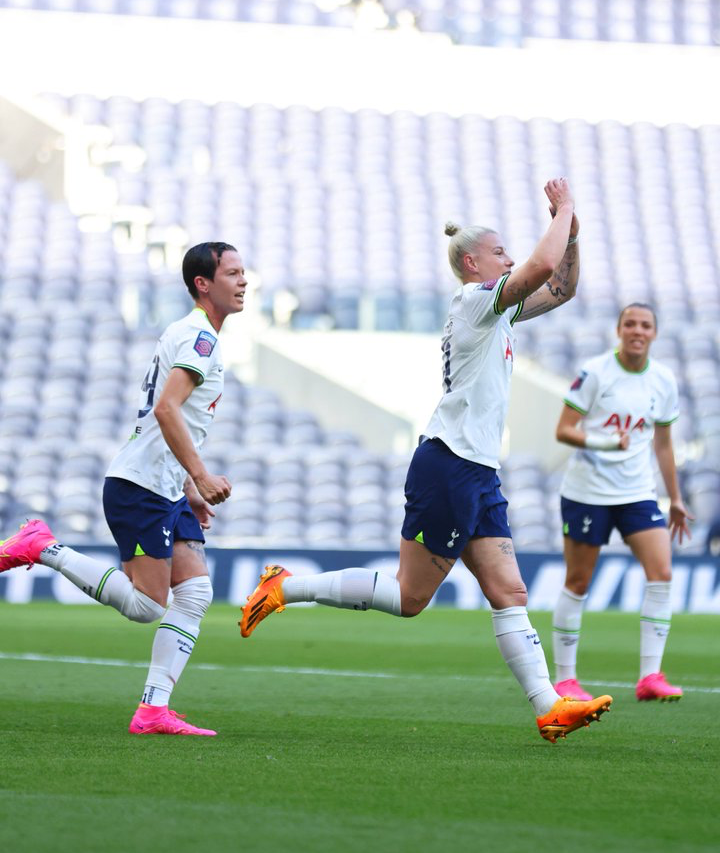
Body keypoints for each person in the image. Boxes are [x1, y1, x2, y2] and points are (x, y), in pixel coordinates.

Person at [240, 177, 613, 743]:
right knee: (409, 598)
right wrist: (564, 210)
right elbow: (540, 268)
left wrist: (574, 235)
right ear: (471, 262)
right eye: (499, 252)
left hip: (477, 470)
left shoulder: (497, 313)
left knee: (509, 592)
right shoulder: (475, 301)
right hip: (450, 465)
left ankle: (550, 708)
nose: (509, 258)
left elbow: (561, 288)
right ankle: (284, 586)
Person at [0, 241, 246, 735]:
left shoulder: (192, 332)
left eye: (244, 273)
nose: (244, 282)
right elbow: (166, 409)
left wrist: (187, 486)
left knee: (195, 592)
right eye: (233, 273)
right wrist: (200, 475)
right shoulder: (199, 337)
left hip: (164, 485)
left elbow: (171, 419)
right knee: (147, 606)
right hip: (142, 486)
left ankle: (153, 710)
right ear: (203, 283)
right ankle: (43, 547)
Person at [551, 302, 693, 703]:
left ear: (654, 333)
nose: (637, 331)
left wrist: (676, 498)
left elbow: (663, 445)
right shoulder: (595, 372)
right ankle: (565, 680)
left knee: (661, 573)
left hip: (637, 492)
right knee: (578, 582)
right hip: (588, 492)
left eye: (645, 325)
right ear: (619, 330)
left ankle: (650, 677)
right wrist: (607, 443)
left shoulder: (663, 379)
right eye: (630, 324)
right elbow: (563, 430)